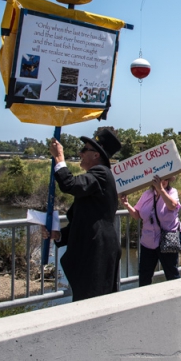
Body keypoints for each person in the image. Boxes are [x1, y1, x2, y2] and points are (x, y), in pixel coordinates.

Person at [44, 128, 121, 301]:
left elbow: (70, 184)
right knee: (86, 300)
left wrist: (59, 158)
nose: (80, 153)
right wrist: (59, 235)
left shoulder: (101, 173)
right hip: (92, 249)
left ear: (96, 155)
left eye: (85, 149)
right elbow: (85, 219)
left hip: (97, 252)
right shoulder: (97, 176)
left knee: (93, 303)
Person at [121, 175, 181, 286]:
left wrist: (161, 190)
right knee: (144, 274)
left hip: (167, 239)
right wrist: (126, 204)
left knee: (171, 273)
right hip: (148, 241)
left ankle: (178, 298)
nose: (162, 182)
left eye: (165, 179)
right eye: (158, 179)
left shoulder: (172, 192)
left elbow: (172, 205)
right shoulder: (146, 195)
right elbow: (137, 214)